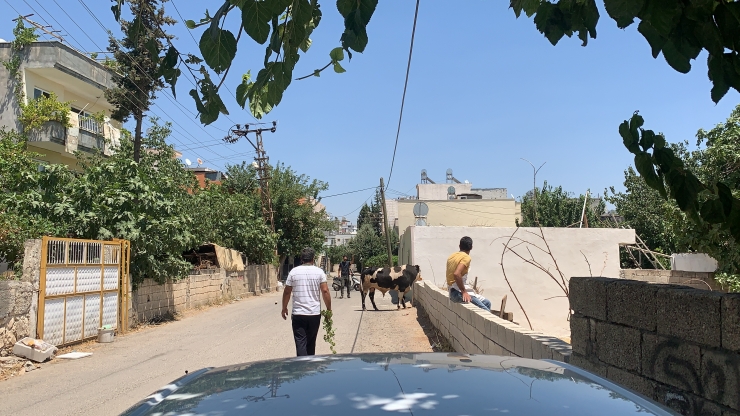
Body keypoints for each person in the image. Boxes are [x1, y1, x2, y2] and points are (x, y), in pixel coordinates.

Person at [282, 247, 332, 356]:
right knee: (311, 342)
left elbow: (287, 292)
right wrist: (328, 309)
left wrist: (284, 307)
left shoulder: (293, 272)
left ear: (301, 259)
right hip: (314, 314)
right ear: (313, 259)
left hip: (298, 314)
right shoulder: (319, 272)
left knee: (300, 342)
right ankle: (310, 369)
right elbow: (325, 291)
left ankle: (302, 368)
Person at [446, 236, 492, 312]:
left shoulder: (451, 256)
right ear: (471, 247)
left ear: (459, 246)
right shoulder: (466, 257)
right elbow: (457, 274)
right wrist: (464, 292)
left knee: (487, 303)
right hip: (457, 293)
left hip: (452, 292)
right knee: (485, 311)